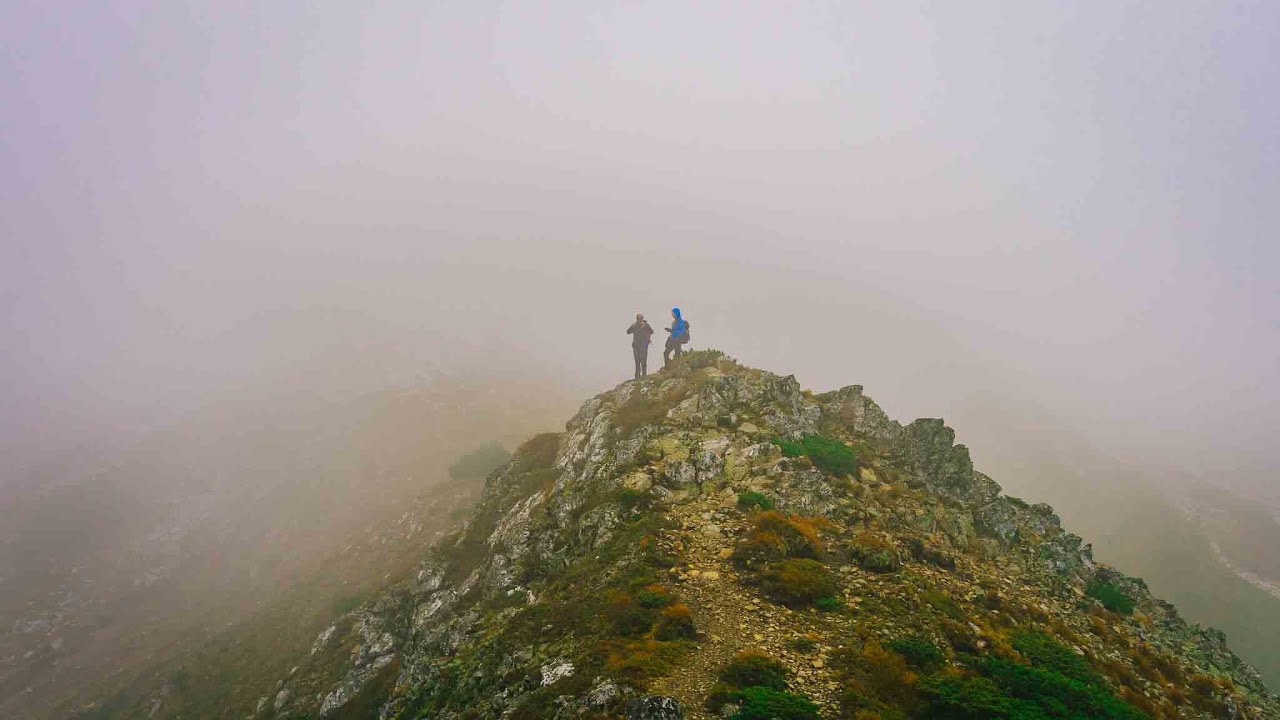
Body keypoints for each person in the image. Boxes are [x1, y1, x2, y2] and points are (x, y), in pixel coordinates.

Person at [626, 313, 654, 378]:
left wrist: (645, 328)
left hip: (643, 346)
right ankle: (637, 377)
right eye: (639, 319)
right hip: (636, 346)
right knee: (637, 362)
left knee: (643, 361)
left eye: (641, 318)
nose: (640, 320)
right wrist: (633, 326)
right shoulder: (634, 325)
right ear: (637, 319)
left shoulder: (646, 325)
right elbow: (628, 332)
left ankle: (644, 376)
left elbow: (651, 331)